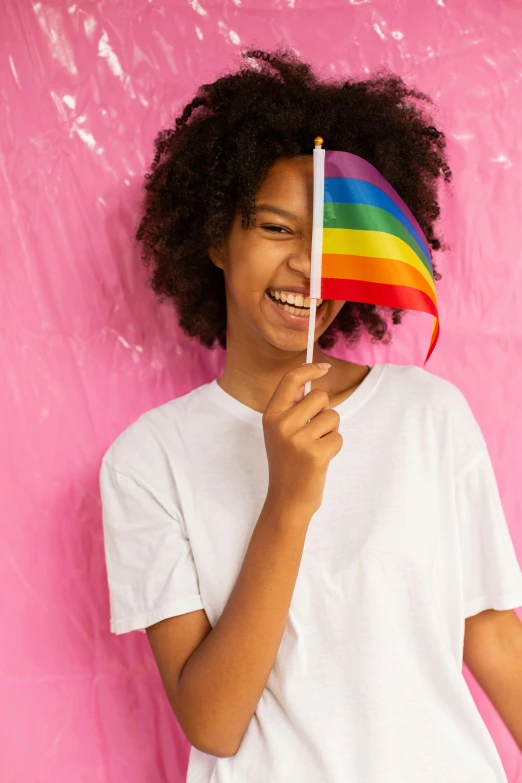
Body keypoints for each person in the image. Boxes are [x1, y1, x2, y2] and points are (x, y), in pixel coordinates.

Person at [99, 48, 522, 782]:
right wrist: (288, 503)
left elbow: (489, 632)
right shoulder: (147, 461)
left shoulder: (431, 415)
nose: (307, 264)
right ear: (214, 238)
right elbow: (213, 721)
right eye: (273, 228)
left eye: (328, 236)